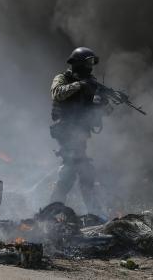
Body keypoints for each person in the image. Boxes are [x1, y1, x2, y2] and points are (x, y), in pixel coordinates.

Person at [49, 47, 110, 216]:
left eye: (92, 63)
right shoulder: (62, 78)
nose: (90, 67)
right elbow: (57, 94)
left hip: (80, 134)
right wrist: (80, 85)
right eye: (88, 63)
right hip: (65, 131)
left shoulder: (91, 83)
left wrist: (102, 103)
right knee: (75, 173)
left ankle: (93, 213)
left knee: (79, 174)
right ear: (77, 64)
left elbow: (99, 111)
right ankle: (52, 213)